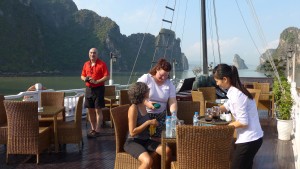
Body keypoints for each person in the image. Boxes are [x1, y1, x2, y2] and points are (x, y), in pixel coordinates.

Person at [213, 64, 263, 169]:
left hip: (250, 139)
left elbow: (243, 122)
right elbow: (228, 105)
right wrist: (215, 110)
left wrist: (225, 128)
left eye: (217, 81)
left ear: (225, 79)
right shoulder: (235, 91)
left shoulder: (237, 95)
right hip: (254, 138)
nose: (217, 84)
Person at [124, 82, 172, 169]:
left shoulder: (143, 105)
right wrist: (148, 123)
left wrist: (153, 125)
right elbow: (132, 132)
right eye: (147, 90)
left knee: (167, 151)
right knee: (148, 161)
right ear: (142, 93)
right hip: (133, 142)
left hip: (146, 140)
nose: (149, 90)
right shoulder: (133, 108)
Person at [137, 58, 177, 138]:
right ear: (157, 69)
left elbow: (172, 101)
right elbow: (136, 93)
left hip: (160, 116)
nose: (163, 78)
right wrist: (147, 103)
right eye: (161, 75)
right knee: (144, 137)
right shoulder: (146, 78)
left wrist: (174, 115)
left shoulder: (169, 84)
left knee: (159, 137)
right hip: (145, 114)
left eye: (166, 76)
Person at [81, 48, 109, 138]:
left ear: (97, 54)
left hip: (99, 89)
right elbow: (82, 75)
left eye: (94, 53)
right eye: (91, 53)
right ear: (89, 54)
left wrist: (97, 81)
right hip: (89, 89)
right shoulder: (86, 64)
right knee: (90, 110)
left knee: (98, 110)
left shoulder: (102, 64)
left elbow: (107, 76)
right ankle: (93, 129)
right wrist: (85, 79)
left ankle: (97, 130)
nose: (92, 54)